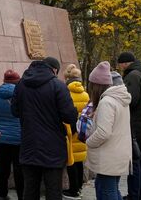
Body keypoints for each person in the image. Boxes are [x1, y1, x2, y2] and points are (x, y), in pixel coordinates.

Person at [11, 57, 77, 200]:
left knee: (30, 190)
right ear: (54, 70)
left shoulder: (21, 84)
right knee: (53, 191)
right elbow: (69, 117)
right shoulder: (58, 86)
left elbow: (14, 111)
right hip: (53, 148)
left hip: (29, 145)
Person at [85, 61, 133, 200]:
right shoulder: (118, 98)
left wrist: (88, 142)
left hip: (109, 156)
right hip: (117, 153)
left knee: (107, 191)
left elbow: (103, 133)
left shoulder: (107, 102)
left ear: (96, 85)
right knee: (109, 188)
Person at [117, 52, 141, 200]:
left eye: (120, 64)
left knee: (134, 163)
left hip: (133, 125)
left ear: (125, 63)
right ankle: (138, 194)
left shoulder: (132, 76)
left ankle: (134, 195)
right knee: (139, 161)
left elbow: (129, 100)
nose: (120, 67)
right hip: (140, 124)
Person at [0, 69, 23, 200]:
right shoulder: (21, 96)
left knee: (2, 165)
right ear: (17, 82)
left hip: (1, 137)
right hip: (19, 137)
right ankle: (22, 195)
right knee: (19, 169)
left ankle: (1, 194)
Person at [63, 64, 88, 200]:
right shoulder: (85, 93)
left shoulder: (66, 93)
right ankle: (79, 188)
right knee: (79, 160)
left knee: (71, 160)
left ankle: (73, 190)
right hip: (82, 131)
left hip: (70, 131)